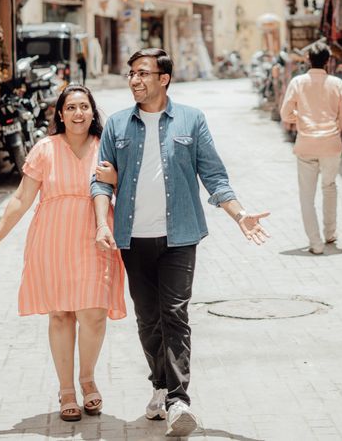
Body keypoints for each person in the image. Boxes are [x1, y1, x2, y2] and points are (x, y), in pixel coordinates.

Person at [90, 48, 270, 437]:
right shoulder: (118, 124)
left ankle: (178, 400)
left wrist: (239, 215)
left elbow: (214, 175)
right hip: (132, 238)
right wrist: (102, 224)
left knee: (174, 313)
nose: (135, 80)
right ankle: (158, 385)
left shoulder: (191, 119)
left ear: (164, 78)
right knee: (147, 318)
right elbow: (100, 181)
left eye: (143, 73)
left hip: (180, 235)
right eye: (131, 74)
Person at [0, 85, 126, 421]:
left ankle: (88, 378)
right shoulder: (45, 149)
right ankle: (66, 391)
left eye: (84, 107)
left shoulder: (106, 148)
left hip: (97, 237)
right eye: (71, 108)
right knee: (60, 314)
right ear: (60, 115)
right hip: (52, 240)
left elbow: (128, 188)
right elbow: (21, 198)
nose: (78, 114)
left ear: (93, 112)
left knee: (93, 312)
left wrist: (117, 178)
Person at [279, 41, 342, 254]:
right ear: (328, 61)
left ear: (308, 60)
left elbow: (285, 114)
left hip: (306, 144)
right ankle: (330, 233)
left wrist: (300, 118)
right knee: (329, 187)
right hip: (331, 143)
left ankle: (316, 244)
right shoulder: (337, 83)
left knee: (306, 197)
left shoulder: (298, 82)